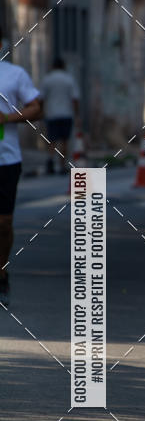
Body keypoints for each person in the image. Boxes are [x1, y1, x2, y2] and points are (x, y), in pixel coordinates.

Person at [0, 28, 43, 305]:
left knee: (3, 223)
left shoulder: (14, 74)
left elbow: (37, 108)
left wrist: (8, 118)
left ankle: (1, 270)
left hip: (6, 159)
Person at [40, 58, 80, 174]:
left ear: (53, 66)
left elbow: (41, 98)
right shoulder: (69, 79)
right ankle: (62, 165)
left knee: (52, 139)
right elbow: (75, 99)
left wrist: (41, 111)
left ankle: (51, 161)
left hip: (51, 114)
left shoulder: (47, 79)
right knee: (64, 141)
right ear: (63, 66)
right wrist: (77, 115)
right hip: (66, 114)